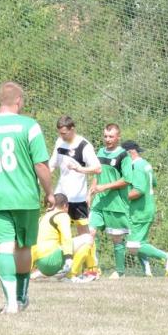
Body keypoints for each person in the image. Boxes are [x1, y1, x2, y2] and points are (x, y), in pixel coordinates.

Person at [0, 81, 55, 314]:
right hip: (25, 196)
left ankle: (9, 304)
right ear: (18, 100)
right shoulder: (30, 126)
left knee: (4, 248)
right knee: (23, 247)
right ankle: (21, 297)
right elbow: (41, 164)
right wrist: (50, 193)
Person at [47, 115, 101, 278]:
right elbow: (52, 164)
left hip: (78, 199)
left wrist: (79, 169)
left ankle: (92, 268)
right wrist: (42, 177)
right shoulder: (59, 142)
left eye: (64, 133)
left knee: (85, 234)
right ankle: (53, 266)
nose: (62, 136)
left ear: (72, 129)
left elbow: (97, 168)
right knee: (54, 231)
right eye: (60, 133)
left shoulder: (84, 146)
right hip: (60, 197)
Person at [122, 140, 168, 277]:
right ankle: (147, 272)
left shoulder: (136, 167)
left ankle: (166, 256)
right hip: (147, 208)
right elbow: (154, 183)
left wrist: (121, 198)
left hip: (139, 211)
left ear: (129, 153)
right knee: (140, 242)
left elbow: (139, 190)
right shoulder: (146, 164)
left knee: (132, 245)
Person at [88, 123, 132, 279]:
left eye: (111, 136)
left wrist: (105, 187)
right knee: (90, 233)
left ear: (118, 137)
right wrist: (90, 193)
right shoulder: (100, 152)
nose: (107, 139)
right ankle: (92, 269)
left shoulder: (123, 156)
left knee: (117, 238)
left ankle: (120, 272)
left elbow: (127, 179)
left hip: (116, 204)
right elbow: (97, 174)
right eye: (105, 136)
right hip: (99, 202)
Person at [31, 193, 98, 282]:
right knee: (88, 238)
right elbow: (66, 238)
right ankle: (71, 275)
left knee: (61, 245)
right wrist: (68, 258)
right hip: (52, 261)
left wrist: (31, 266)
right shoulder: (62, 215)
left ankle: (42, 273)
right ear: (65, 205)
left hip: (40, 264)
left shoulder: (42, 217)